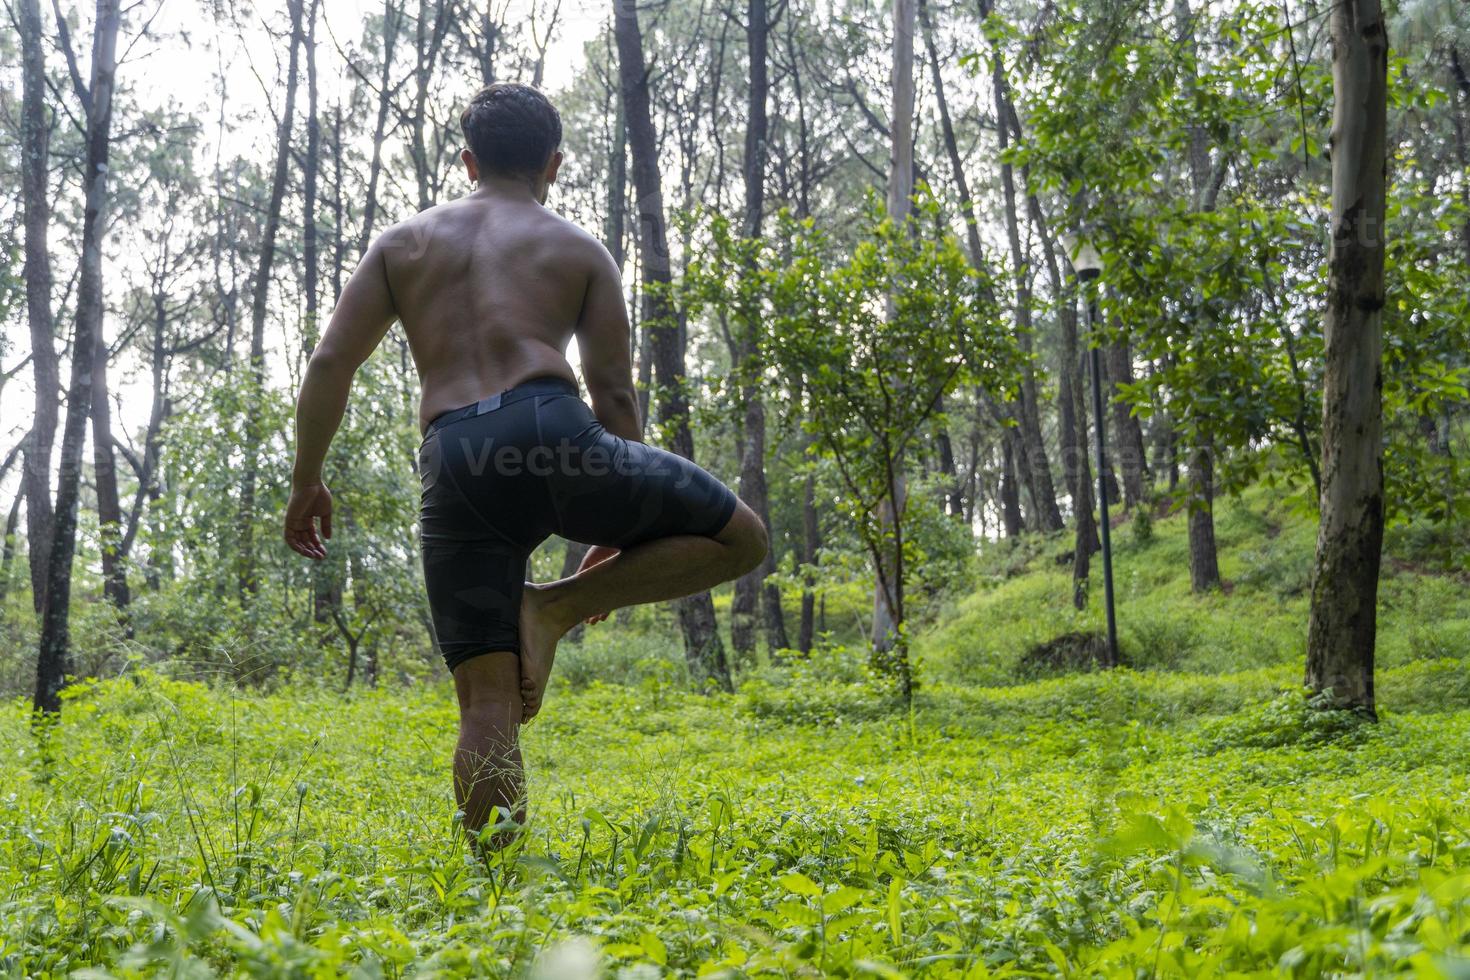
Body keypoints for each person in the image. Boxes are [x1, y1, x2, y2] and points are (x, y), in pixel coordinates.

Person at [283, 83, 766, 844]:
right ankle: (555, 607)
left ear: (469, 160)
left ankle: (497, 900)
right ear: (555, 164)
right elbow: (612, 392)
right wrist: (611, 534)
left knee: (485, 704)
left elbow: (329, 363)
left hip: (454, 459)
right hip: (554, 429)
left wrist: (308, 478)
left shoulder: (402, 245)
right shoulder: (577, 248)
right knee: (743, 538)